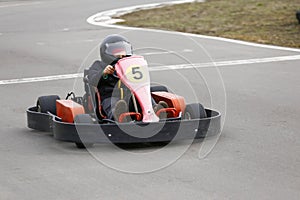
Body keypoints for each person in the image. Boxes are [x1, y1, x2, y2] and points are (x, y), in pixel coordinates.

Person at [88, 34, 167, 122]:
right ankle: (120, 115)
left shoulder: (131, 64)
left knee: (145, 95)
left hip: (131, 94)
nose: (121, 54)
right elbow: (92, 80)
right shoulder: (99, 65)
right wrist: (104, 74)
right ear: (106, 53)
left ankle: (156, 111)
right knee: (114, 104)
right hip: (110, 95)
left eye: (123, 51)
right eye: (117, 52)